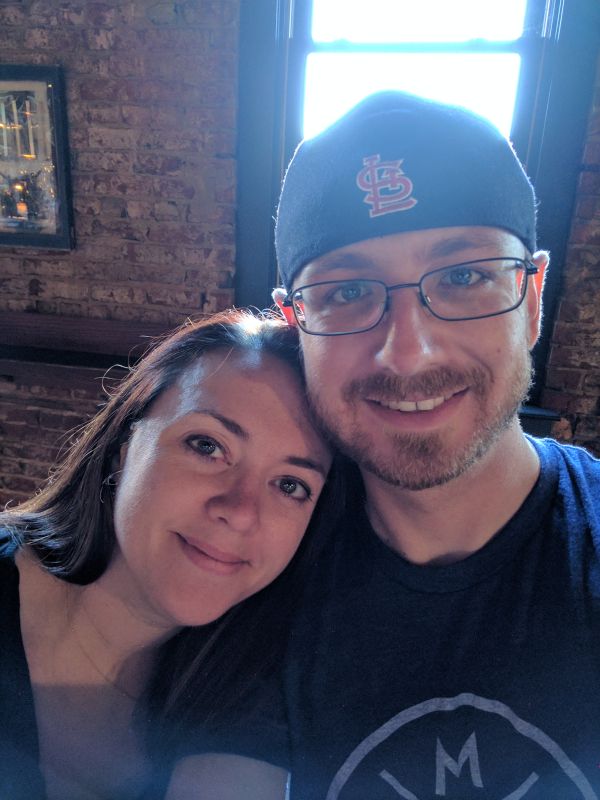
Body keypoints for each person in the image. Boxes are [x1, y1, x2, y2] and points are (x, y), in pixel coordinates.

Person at [166, 92, 600, 799]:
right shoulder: (259, 570)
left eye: (463, 278)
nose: (407, 352)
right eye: (347, 293)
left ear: (532, 300)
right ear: (296, 327)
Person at [0, 309, 335, 800]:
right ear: (124, 444)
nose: (240, 512)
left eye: (290, 485)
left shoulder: (259, 693)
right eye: (207, 446)